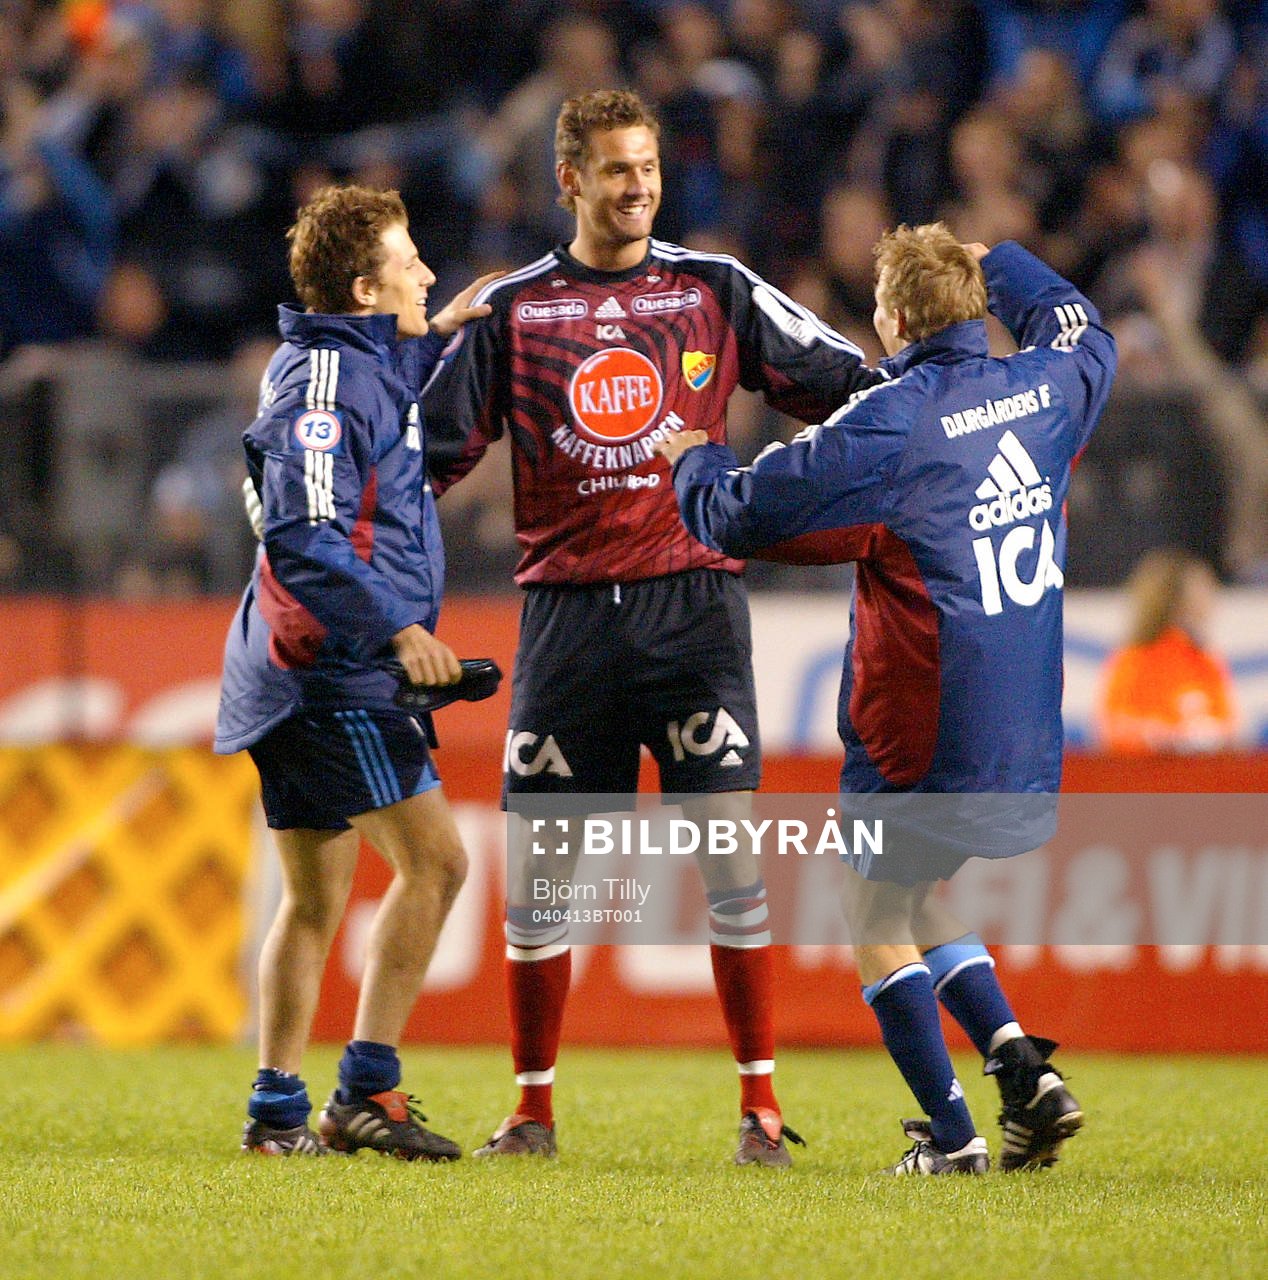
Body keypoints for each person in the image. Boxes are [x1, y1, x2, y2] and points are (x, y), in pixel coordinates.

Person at [423, 88, 885, 1166]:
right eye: (615, 170)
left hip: (693, 607)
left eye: (648, 169)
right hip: (566, 616)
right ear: (568, 180)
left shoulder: (713, 287)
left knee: (728, 855)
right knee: (542, 876)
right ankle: (530, 1110)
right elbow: (426, 454)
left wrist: (911, 448)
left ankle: (759, 1108)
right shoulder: (512, 309)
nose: (637, 188)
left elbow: (847, 384)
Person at [657, 223, 1117, 1174]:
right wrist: (1009, 264)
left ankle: (953, 1144)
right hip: (1027, 730)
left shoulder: (894, 420)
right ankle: (1026, 1073)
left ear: (894, 318)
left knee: (870, 911)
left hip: (921, 730)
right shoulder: (1047, 385)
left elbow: (747, 512)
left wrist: (689, 459)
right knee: (911, 893)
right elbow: (1084, 326)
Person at [214, 184, 495, 1158]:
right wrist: (392, 631)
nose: (428, 270)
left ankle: (276, 1110)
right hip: (331, 670)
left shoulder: (345, 360)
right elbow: (303, 530)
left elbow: (366, 387)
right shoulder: (324, 388)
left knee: (313, 900)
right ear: (367, 286)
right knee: (438, 862)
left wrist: (437, 333)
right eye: (411, 260)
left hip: (290, 665)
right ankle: (364, 1091)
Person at [1098, 548, 1239, 753]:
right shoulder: (1133, 661)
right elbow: (1113, 729)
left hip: (1203, 778)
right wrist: (1161, 736)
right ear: (1175, 600)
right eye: (1200, 592)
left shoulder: (1205, 661)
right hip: (1147, 778)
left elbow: (1229, 727)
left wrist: (1208, 735)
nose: (1208, 601)